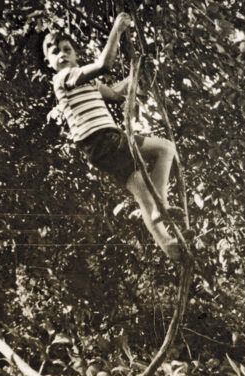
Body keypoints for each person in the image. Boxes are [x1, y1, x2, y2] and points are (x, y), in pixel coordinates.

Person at [43, 13, 184, 261]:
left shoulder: (86, 83)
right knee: (166, 148)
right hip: (103, 139)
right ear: (49, 62)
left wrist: (135, 74)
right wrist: (116, 30)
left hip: (97, 151)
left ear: (76, 55)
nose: (62, 54)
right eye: (55, 52)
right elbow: (104, 65)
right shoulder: (64, 78)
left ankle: (167, 244)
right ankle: (162, 200)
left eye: (67, 49)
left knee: (141, 191)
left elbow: (116, 94)